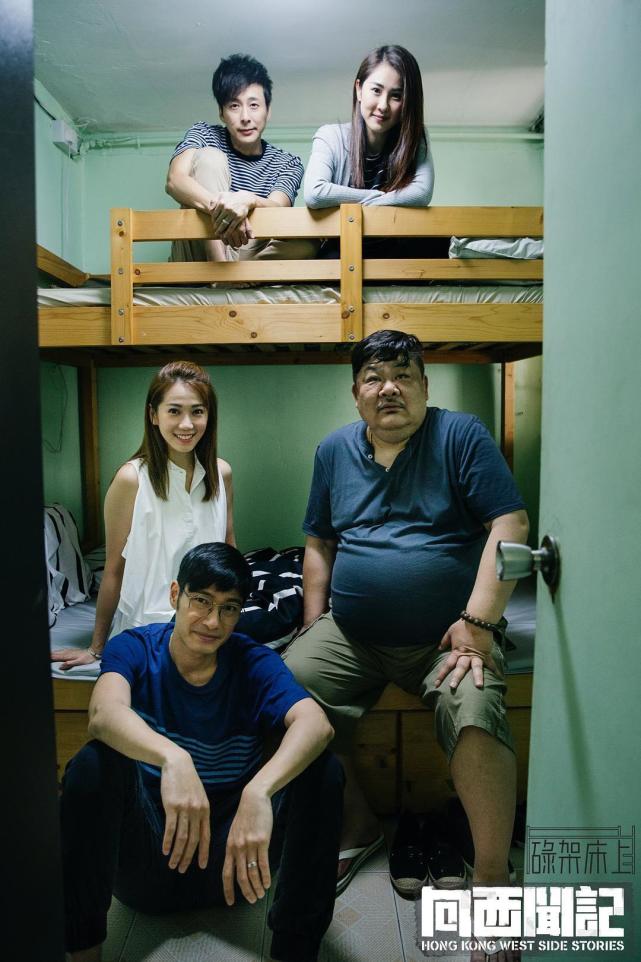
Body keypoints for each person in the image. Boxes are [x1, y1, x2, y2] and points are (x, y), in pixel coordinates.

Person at [284, 330, 529, 902]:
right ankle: (357, 825)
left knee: (475, 705)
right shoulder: (333, 451)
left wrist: (479, 622)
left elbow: (510, 523)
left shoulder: (460, 435)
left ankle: (492, 874)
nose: (388, 388)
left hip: (449, 635)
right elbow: (319, 543)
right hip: (353, 634)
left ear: (424, 385)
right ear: (356, 393)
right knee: (281, 689)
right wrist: (313, 623)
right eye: (373, 378)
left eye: (402, 376)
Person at [60, 542, 343, 962]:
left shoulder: (252, 661)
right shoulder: (135, 647)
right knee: (92, 765)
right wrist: (173, 758)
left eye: (229, 608)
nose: (213, 621)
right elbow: (103, 713)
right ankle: (84, 953)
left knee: (323, 771)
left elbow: (316, 724)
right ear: (176, 594)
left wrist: (259, 791)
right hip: (150, 862)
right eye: (201, 601)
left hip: (236, 865)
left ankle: (295, 950)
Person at [52, 360, 234, 670]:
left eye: (197, 412)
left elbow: (228, 548)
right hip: (149, 626)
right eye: (174, 411)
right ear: (154, 415)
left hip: (210, 624)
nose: (187, 424)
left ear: (209, 416)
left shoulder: (221, 473)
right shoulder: (131, 479)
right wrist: (96, 649)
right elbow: (114, 569)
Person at [166, 53, 315, 262]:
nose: (245, 117)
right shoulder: (205, 134)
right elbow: (175, 181)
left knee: (308, 243)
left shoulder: (287, 163)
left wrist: (248, 200)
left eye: (254, 105)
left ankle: (237, 274)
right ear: (221, 112)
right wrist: (227, 212)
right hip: (200, 251)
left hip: (248, 249)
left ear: (268, 111)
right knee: (210, 157)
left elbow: (278, 209)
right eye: (234, 106)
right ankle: (221, 269)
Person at [304, 44, 434, 251]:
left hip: (394, 247)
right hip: (344, 247)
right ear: (359, 89)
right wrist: (376, 197)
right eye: (376, 90)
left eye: (396, 96)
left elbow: (421, 193)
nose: (383, 105)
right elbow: (315, 193)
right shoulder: (330, 136)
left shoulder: (415, 139)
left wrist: (363, 203)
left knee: (441, 242)